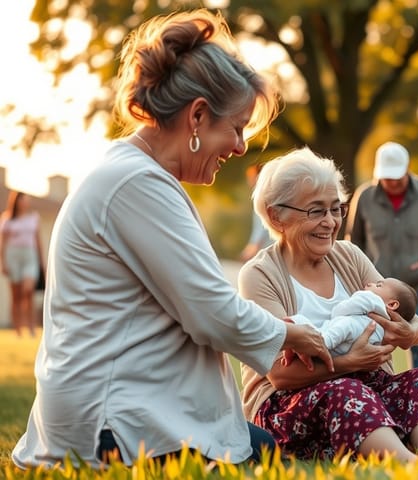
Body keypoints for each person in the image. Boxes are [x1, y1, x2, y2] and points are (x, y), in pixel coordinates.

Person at [12, 9, 334, 469]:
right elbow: (212, 314)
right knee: (270, 457)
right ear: (198, 116)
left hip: (133, 412)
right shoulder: (134, 184)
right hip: (114, 430)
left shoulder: (137, 177)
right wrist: (294, 334)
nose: (241, 147)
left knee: (270, 446)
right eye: (238, 127)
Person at [238, 147, 418, 461]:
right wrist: (349, 363)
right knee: (348, 392)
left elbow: (405, 316)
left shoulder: (349, 255)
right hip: (290, 405)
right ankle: (408, 463)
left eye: (336, 209)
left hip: (366, 390)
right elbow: (280, 374)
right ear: (277, 215)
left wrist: (410, 333)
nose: (331, 222)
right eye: (316, 211)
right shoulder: (259, 275)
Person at [346, 141, 418, 369]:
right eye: (387, 178)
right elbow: (354, 240)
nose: (393, 183)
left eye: (397, 177)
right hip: (376, 292)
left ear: (408, 169)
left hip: (417, 287)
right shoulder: (365, 197)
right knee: (368, 341)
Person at [291, 277, 418, 356]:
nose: (370, 284)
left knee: (342, 326)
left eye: (378, 285)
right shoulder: (389, 322)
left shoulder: (371, 299)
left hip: (352, 333)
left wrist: (338, 309)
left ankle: (319, 341)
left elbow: (344, 309)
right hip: (356, 346)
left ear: (392, 304)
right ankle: (301, 329)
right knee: (332, 329)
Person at [0, 191, 45, 337]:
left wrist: (42, 261)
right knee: (16, 295)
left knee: (28, 291)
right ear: (16, 202)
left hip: (30, 256)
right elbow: (3, 243)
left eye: (27, 200)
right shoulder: (7, 219)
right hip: (13, 256)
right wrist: (3, 263)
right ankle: (18, 329)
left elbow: (38, 241)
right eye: (22, 200)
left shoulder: (34, 218)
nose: (25, 203)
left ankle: (31, 327)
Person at [240, 163, 274, 262]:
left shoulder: (263, 201)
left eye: (251, 177)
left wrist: (249, 252)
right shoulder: (270, 197)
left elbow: (261, 232)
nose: (249, 180)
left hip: (266, 254)